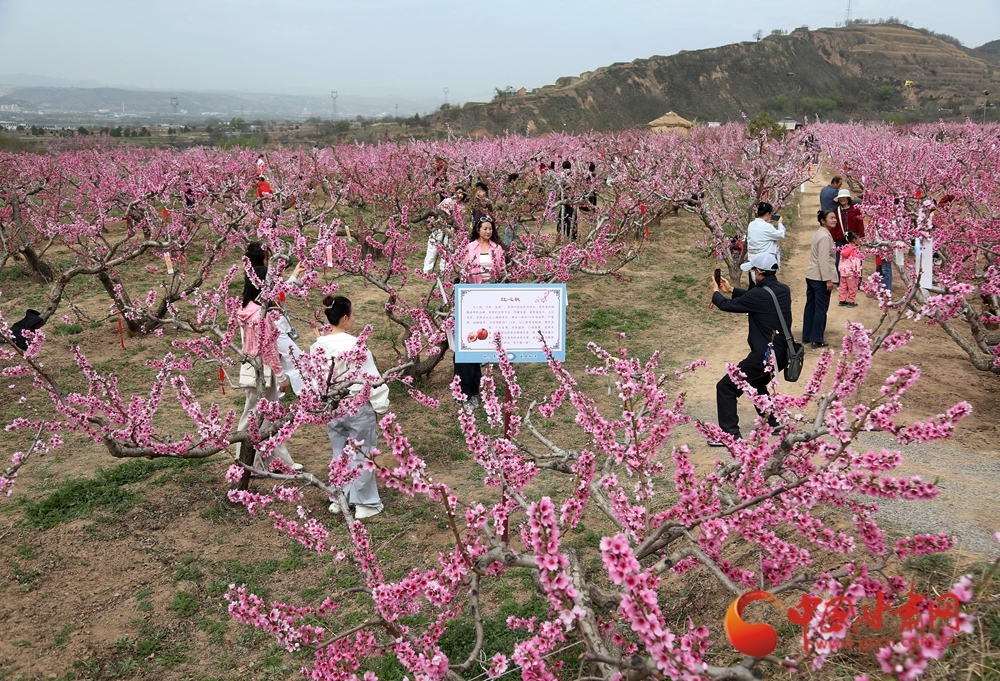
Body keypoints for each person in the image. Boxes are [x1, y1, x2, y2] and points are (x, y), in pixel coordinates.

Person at [311, 295, 390, 519]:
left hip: (332, 405)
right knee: (362, 452)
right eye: (352, 314)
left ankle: (339, 497)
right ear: (344, 318)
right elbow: (371, 377)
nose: (354, 318)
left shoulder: (317, 346)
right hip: (357, 404)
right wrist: (381, 404)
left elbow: (315, 379)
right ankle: (365, 504)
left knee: (340, 451)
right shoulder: (356, 345)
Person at [709, 252, 790, 444]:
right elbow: (757, 298)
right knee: (755, 383)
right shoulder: (783, 290)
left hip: (764, 355)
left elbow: (727, 305)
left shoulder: (759, 294)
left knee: (726, 386)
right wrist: (731, 289)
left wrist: (716, 292)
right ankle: (774, 422)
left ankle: (730, 435)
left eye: (753, 270)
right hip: (782, 353)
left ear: (759, 272)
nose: (753, 274)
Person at [236, 243, 302, 472]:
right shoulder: (261, 315)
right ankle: (248, 462)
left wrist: (293, 278)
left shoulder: (246, 308)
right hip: (264, 371)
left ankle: (268, 462)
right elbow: (268, 349)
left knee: (263, 416)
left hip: (252, 367)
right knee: (256, 417)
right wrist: (281, 376)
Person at [453, 213, 505, 410]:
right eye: (484, 228)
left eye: (490, 228)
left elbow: (501, 271)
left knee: (480, 341)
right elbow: (461, 271)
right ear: (477, 230)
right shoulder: (468, 248)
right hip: (471, 298)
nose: (488, 231)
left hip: (490, 297)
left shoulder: (497, 248)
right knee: (467, 342)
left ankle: (474, 388)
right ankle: (465, 391)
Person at [802, 210, 838, 349]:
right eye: (831, 218)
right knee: (820, 308)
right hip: (820, 277)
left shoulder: (820, 234)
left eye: (835, 217)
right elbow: (823, 260)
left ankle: (807, 335)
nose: (834, 220)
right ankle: (817, 338)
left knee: (811, 306)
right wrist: (827, 279)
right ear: (823, 221)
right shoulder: (824, 237)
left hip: (812, 275)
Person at [423, 186, 466, 274]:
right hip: (440, 227)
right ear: (454, 193)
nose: (460, 195)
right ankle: (427, 270)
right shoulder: (447, 201)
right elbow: (437, 212)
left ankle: (444, 271)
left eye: (462, 193)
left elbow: (461, 221)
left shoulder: (462, 207)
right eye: (458, 192)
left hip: (451, 231)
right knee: (432, 248)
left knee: (447, 250)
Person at [745, 201, 786, 288]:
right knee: (765, 287)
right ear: (767, 214)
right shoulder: (767, 227)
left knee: (753, 286)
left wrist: (767, 223)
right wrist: (780, 223)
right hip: (764, 263)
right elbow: (781, 235)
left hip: (752, 260)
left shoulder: (751, 224)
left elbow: (762, 233)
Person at [838, 231, 863, 307]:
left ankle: (842, 300)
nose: (859, 239)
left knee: (843, 286)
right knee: (853, 287)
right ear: (854, 239)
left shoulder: (844, 247)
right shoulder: (854, 249)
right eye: (858, 238)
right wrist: (857, 271)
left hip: (843, 271)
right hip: (852, 272)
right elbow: (855, 261)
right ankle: (851, 301)